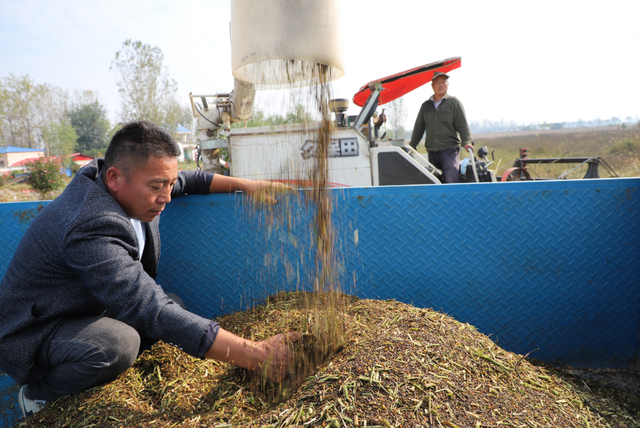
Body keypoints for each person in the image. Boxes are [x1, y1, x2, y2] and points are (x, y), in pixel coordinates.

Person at [0, 120, 296, 418]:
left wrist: (246, 185)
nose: (167, 197)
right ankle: (37, 396)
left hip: (86, 307)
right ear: (114, 178)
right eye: (158, 187)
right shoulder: (89, 223)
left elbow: (188, 180)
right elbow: (145, 306)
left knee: (173, 308)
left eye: (168, 184)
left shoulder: (130, 184)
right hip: (37, 329)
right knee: (118, 344)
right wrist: (254, 354)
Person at [409, 71, 473, 183]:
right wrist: (412, 146)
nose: (441, 85)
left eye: (443, 81)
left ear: (448, 84)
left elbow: (462, 124)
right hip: (432, 151)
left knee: (450, 180)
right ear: (432, 85)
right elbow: (419, 127)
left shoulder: (454, 103)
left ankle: (453, 200)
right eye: (437, 82)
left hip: (449, 151)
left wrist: (466, 141)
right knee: (433, 181)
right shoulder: (426, 106)